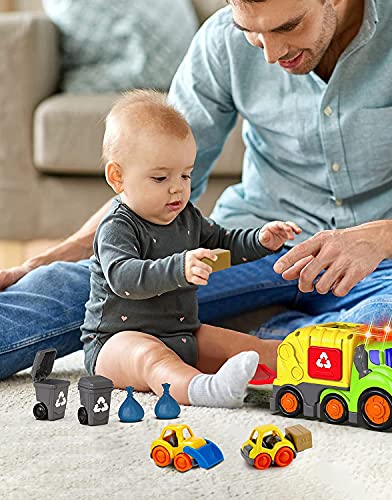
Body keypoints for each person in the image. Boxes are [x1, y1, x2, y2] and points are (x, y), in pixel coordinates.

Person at [1, 0, 392, 381]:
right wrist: (54, 257)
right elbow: (149, 182)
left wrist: (377, 238)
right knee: (90, 282)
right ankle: (289, 347)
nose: (274, 52)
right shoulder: (221, 40)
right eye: (253, 32)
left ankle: (251, 334)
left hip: (383, 265)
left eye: (288, 26)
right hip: (250, 248)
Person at [80, 89, 300, 407]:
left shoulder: (187, 216)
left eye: (186, 174)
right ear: (118, 177)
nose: (177, 188)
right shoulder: (117, 226)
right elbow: (124, 278)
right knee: (152, 359)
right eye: (160, 177)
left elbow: (224, 242)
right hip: (115, 345)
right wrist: (180, 267)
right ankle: (204, 390)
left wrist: (259, 240)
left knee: (253, 348)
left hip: (181, 334)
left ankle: (315, 368)